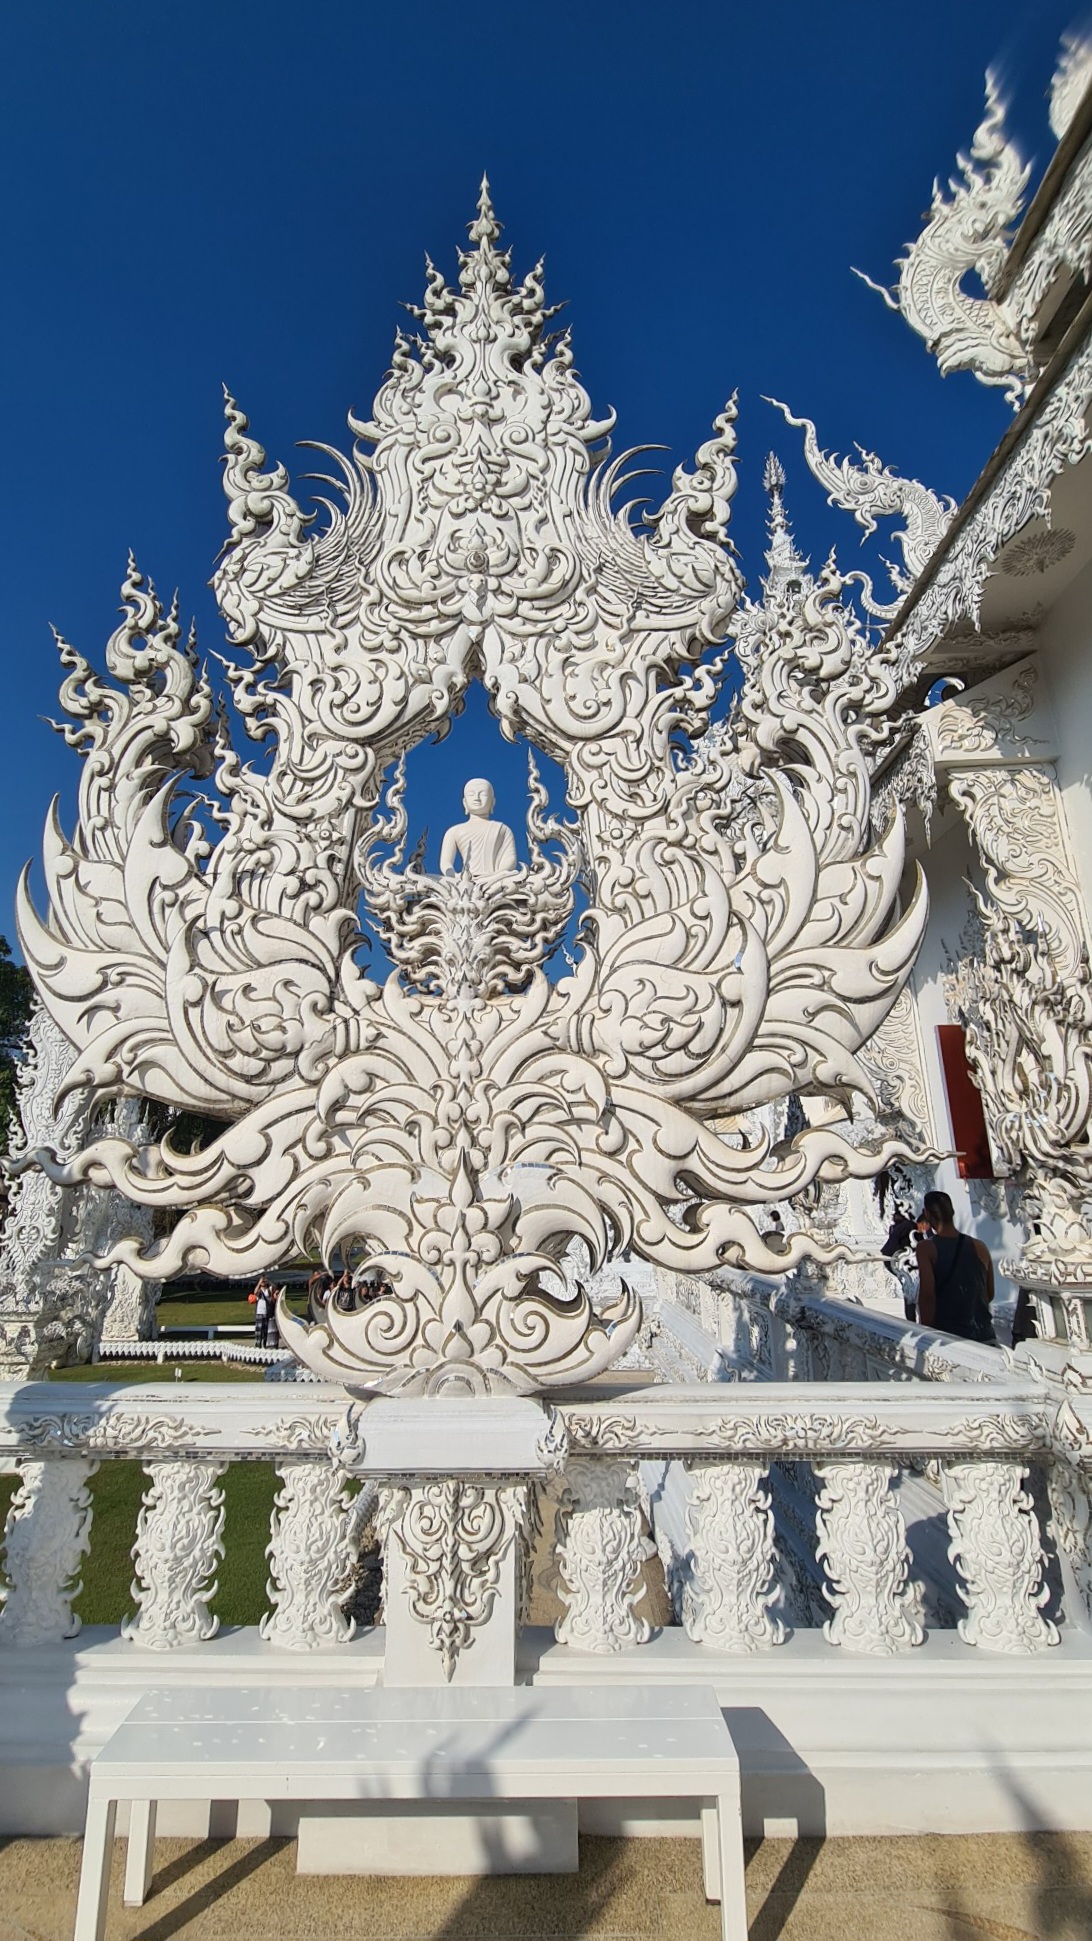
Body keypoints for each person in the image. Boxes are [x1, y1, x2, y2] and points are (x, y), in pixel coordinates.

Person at [915, 1191, 997, 1344]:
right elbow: (989, 1293)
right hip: (985, 1335)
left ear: (926, 1214)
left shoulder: (926, 1248)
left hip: (951, 1338)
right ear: (952, 1212)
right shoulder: (979, 1246)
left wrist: (925, 1335)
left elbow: (928, 1296)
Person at [439, 779, 517, 877]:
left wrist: (496, 875)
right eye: (471, 794)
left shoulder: (502, 829)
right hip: (464, 879)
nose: (477, 798)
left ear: (492, 802)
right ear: (464, 802)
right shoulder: (454, 831)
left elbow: (510, 858)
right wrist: (455, 876)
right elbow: (445, 863)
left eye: (483, 794)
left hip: (494, 879)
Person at [252, 1276, 272, 1348]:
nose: (263, 1282)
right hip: (259, 1312)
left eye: (264, 1281)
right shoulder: (259, 1290)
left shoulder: (268, 1289)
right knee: (259, 1331)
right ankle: (258, 1345)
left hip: (266, 1312)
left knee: (265, 1330)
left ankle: (265, 1344)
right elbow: (255, 1292)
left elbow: (274, 1287)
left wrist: (268, 1281)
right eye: (262, 1281)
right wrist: (259, 1282)